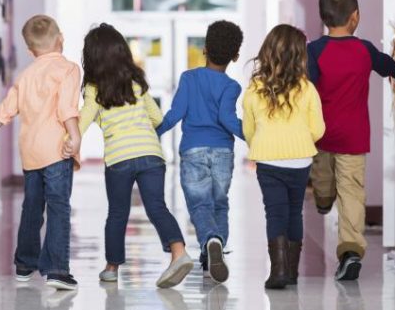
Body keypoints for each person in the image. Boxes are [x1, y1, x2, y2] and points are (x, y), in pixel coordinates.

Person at [64, 23, 193, 288]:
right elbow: (157, 118)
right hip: (151, 154)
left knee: (118, 213)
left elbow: (85, 118)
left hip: (119, 158)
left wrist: (69, 139)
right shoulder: (137, 82)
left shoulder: (94, 87)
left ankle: (111, 268)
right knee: (157, 206)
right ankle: (179, 252)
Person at [307, 0, 395, 280]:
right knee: (352, 193)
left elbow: (306, 87)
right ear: (356, 17)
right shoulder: (365, 49)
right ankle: (350, 249)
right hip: (353, 138)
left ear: (324, 18)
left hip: (322, 136)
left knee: (323, 181)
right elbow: (387, 66)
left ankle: (326, 204)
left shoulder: (314, 51)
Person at [0, 15, 81, 290]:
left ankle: (25, 264)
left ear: (29, 50)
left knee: (32, 207)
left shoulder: (25, 76)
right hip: (57, 151)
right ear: (61, 39)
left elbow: (5, 111)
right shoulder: (69, 69)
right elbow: (67, 108)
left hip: (31, 153)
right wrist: (75, 134)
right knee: (58, 206)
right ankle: (58, 270)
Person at [156, 20, 244, 284]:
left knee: (199, 205)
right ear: (236, 56)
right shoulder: (231, 86)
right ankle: (213, 254)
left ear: (204, 49)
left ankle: (210, 240)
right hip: (222, 153)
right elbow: (228, 120)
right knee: (219, 203)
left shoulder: (189, 78)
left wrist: (154, 132)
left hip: (193, 150)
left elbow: (175, 114)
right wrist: (253, 137)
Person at [243, 24, 325, 289]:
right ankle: (291, 272)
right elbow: (318, 129)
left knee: (275, 212)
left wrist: (260, 143)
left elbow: (249, 128)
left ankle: (278, 271)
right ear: (300, 55)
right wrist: (300, 140)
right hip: (300, 160)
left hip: (268, 160)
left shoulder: (255, 88)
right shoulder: (307, 88)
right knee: (294, 212)